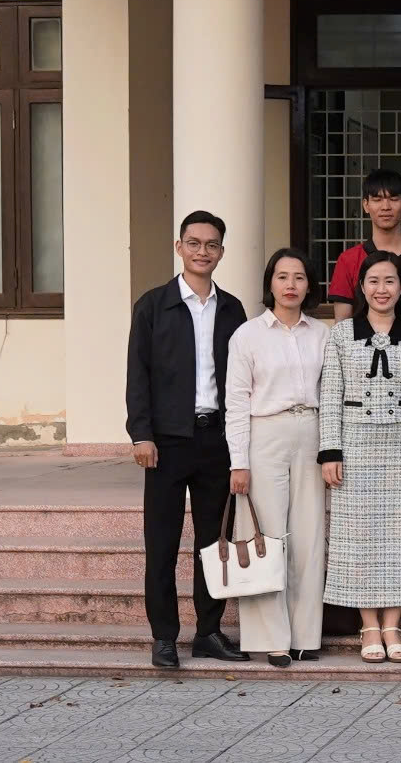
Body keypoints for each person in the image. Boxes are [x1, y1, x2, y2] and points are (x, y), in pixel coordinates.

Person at [126, 211, 249, 670]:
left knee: (213, 544)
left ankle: (208, 632)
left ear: (221, 252)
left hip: (216, 439)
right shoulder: (153, 305)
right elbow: (137, 374)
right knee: (161, 543)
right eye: (194, 243)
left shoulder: (232, 309)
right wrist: (141, 434)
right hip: (166, 443)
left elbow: (242, 379)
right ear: (179, 247)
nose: (202, 251)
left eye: (211, 244)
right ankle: (163, 637)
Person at [317, 250, 401, 664]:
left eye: (389, 281)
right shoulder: (341, 334)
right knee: (358, 538)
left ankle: (393, 625)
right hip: (354, 445)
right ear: (362, 287)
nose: (381, 289)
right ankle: (368, 625)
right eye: (373, 281)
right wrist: (330, 450)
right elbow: (330, 395)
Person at [224, 247, 330, 667]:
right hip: (265, 433)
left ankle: (305, 635)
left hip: (312, 432)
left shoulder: (322, 334)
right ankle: (271, 638)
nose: (291, 285)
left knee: (308, 536)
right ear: (270, 282)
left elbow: (332, 393)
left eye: (299, 277)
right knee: (266, 536)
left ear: (309, 285)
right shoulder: (247, 335)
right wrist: (238, 461)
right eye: (282, 276)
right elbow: (236, 401)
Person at [328, 169, 401, 326]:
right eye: (377, 199)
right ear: (366, 205)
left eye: (393, 199)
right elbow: (342, 323)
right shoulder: (348, 259)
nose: (385, 207)